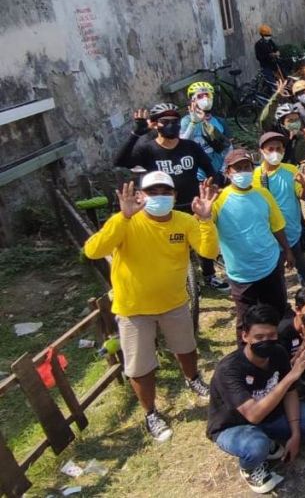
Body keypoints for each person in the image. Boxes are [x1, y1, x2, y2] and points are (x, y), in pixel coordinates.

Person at [84, 173, 217, 442]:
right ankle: (151, 413)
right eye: (152, 191)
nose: (159, 196)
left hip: (175, 302)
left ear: (175, 196)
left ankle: (193, 379)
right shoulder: (126, 222)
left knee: (186, 348)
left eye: (165, 191)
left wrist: (205, 220)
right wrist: (122, 218)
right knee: (141, 366)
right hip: (134, 310)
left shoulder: (184, 222)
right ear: (139, 196)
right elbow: (93, 251)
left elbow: (209, 252)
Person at [207, 304, 305, 494]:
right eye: (259, 337)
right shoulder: (229, 370)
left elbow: (290, 393)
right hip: (232, 426)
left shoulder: (278, 352)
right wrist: (291, 375)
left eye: (271, 336)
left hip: (271, 413)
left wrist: (295, 433)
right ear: (245, 336)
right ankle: (250, 467)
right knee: (256, 446)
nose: (266, 341)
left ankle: (267, 439)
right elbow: (254, 415)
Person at [115, 103, 225, 289]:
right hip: (163, 207)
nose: (171, 125)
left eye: (175, 121)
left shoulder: (190, 147)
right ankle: (184, 280)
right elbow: (120, 161)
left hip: (193, 204)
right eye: (165, 121)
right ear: (155, 124)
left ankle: (209, 275)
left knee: (203, 239)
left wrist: (213, 184)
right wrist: (136, 134)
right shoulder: (148, 149)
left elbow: (210, 170)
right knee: (171, 245)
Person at [213, 150, 294, 344]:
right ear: (227, 172)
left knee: (277, 311)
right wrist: (203, 215)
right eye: (237, 168)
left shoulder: (263, 194)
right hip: (241, 274)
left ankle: (280, 350)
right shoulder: (218, 201)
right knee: (245, 321)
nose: (243, 171)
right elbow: (206, 234)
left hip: (270, 265)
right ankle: (245, 356)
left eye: (246, 167)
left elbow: (277, 225)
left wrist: (288, 251)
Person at [253, 133, 305, 289]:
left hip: (293, 233)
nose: (275, 152)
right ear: (262, 151)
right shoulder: (255, 176)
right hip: (271, 238)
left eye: (279, 148)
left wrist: (304, 186)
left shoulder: (291, 170)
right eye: (271, 149)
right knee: (277, 277)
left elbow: (303, 197)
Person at [180, 81, 232, 178]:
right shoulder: (186, 121)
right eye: (200, 96)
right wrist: (193, 123)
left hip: (219, 170)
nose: (205, 98)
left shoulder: (219, 121)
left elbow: (228, 147)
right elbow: (183, 144)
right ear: (192, 100)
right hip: (198, 173)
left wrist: (224, 169)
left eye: (207, 95)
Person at [259, 99, 305, 165]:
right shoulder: (272, 131)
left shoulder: (299, 136)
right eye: (290, 120)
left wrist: (300, 139)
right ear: (282, 122)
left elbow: (300, 159)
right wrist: (276, 97)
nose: (294, 123)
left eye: (296, 120)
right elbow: (264, 120)